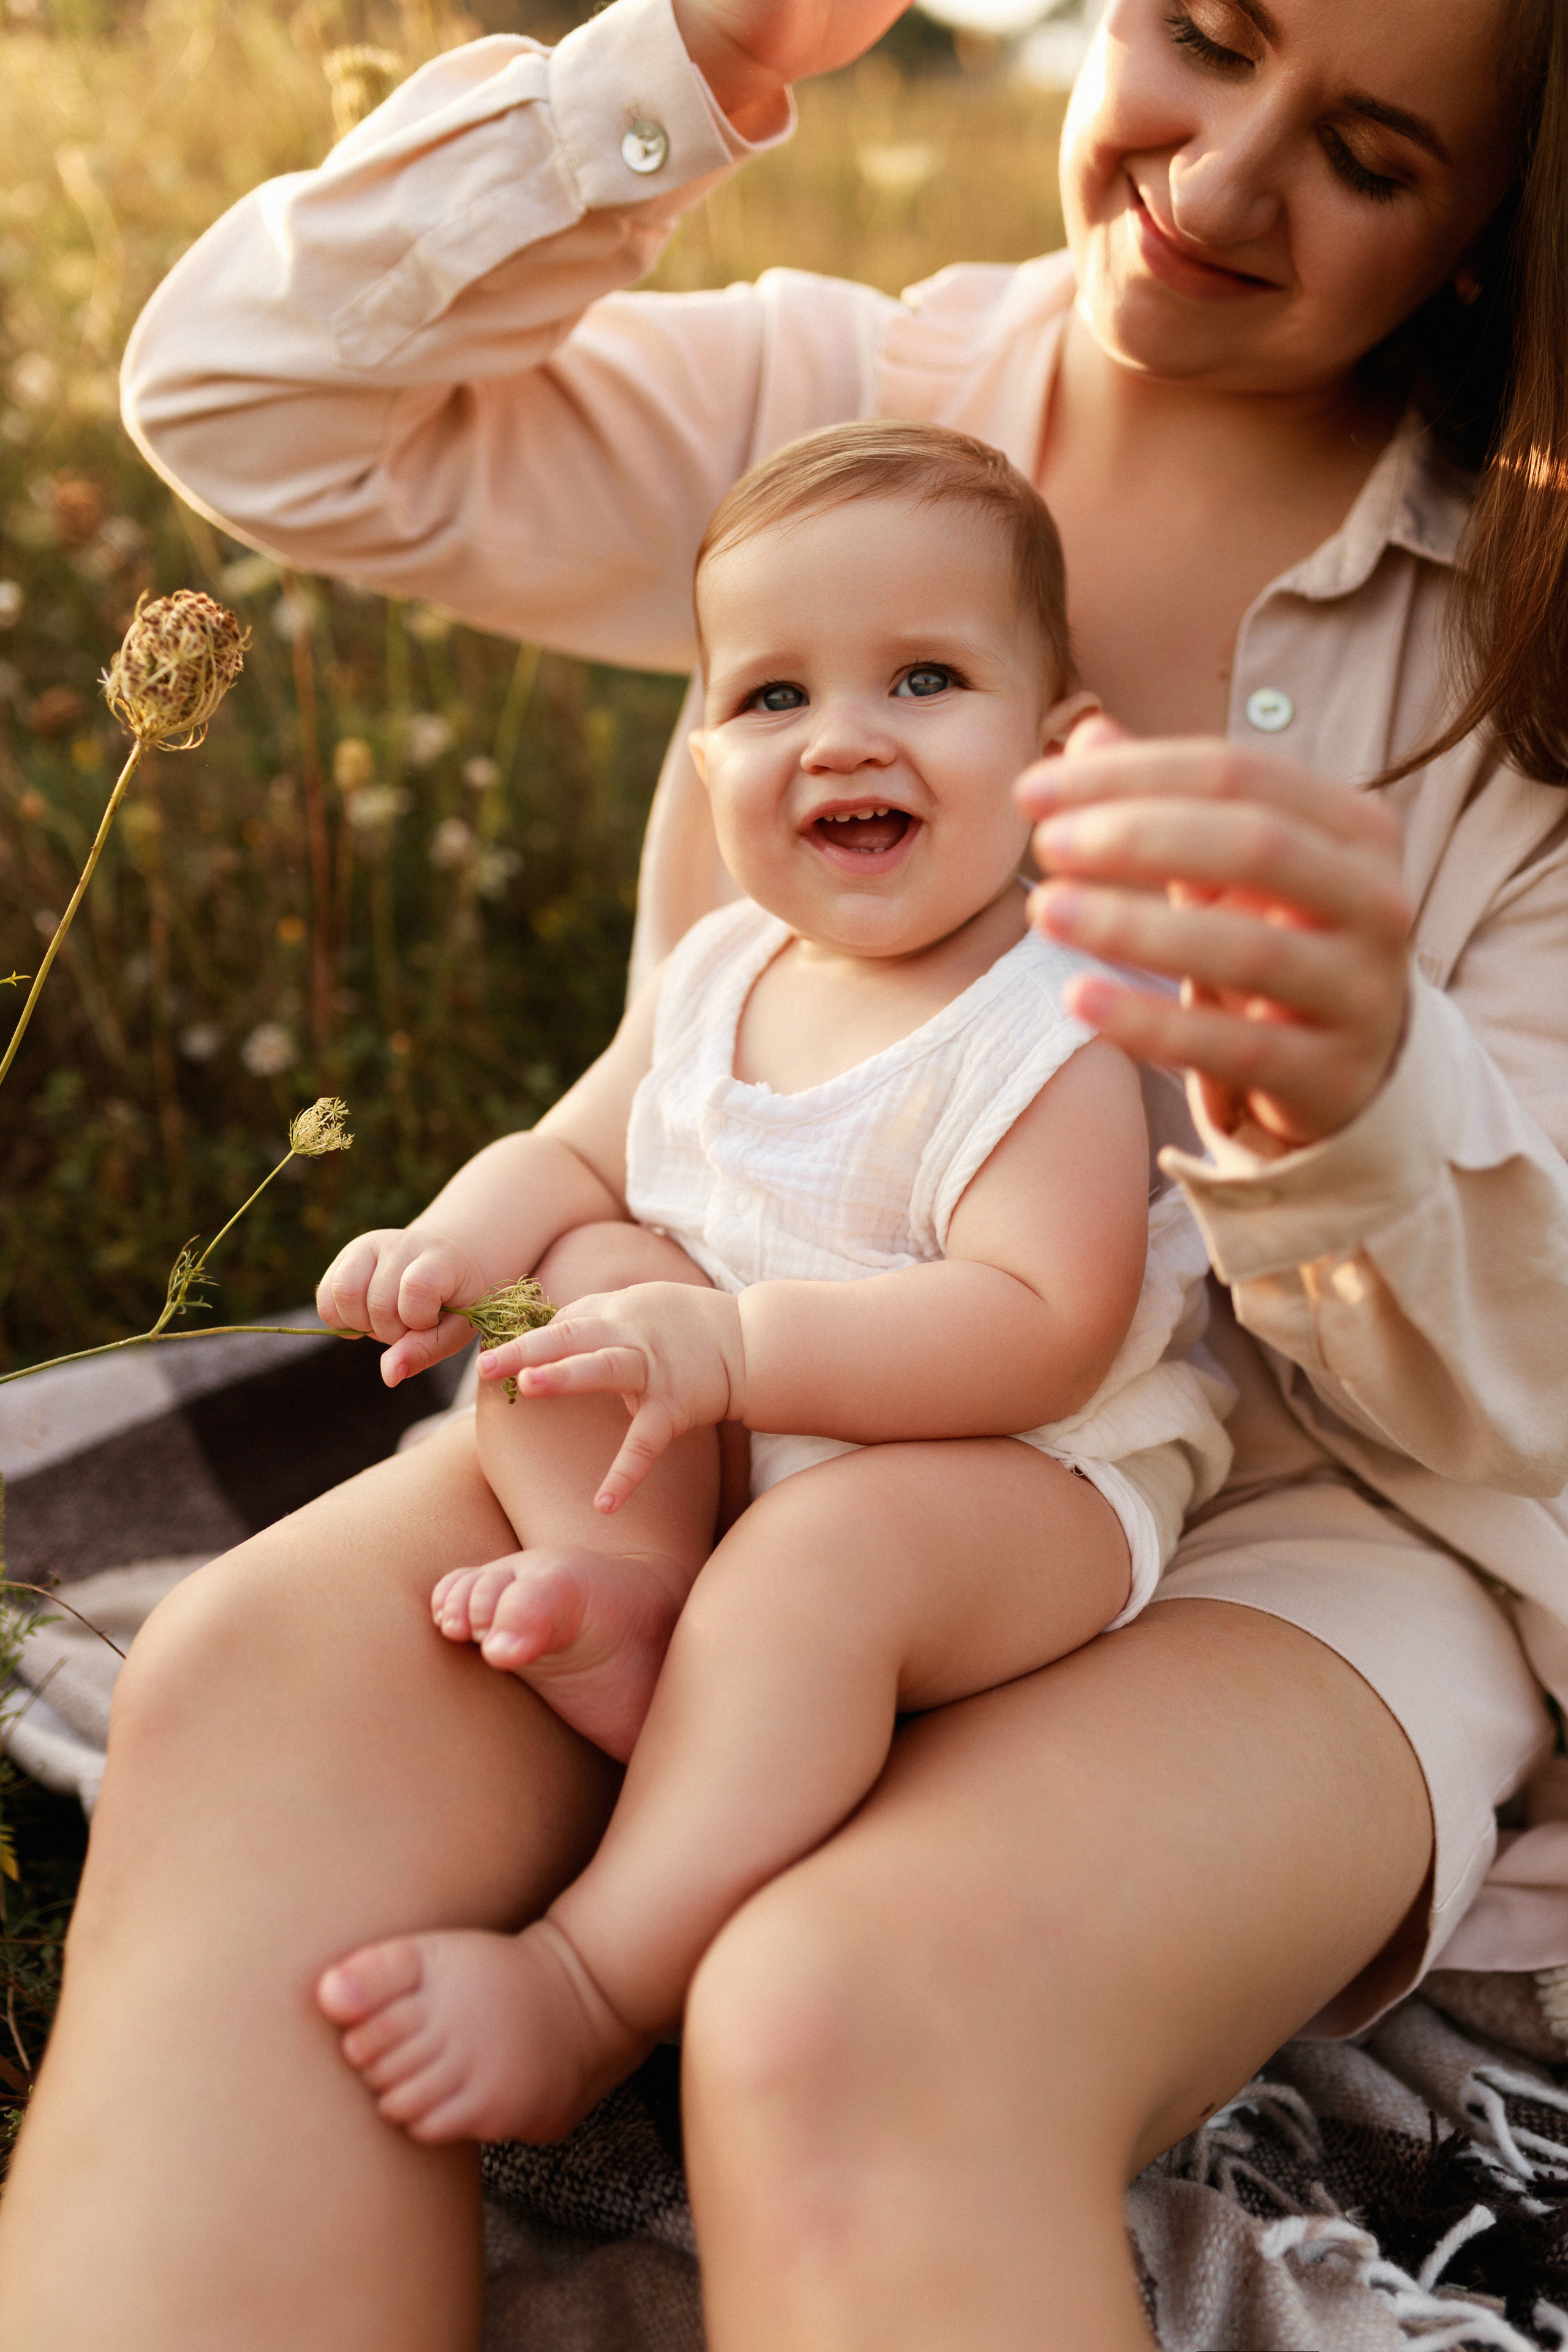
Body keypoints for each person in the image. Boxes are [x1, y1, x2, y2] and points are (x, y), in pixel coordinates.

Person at [1, 0, 1564, 2345]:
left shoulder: (1522, 642)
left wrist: (1343, 1103)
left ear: (1488, 231)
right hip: (704, 1417)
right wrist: (686, 64)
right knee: (243, 1700)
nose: (1227, 179)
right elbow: (250, 404)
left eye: (1367, 153)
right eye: (1205, 36)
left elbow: (1528, 1393)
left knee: (846, 2011)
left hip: (1303, 1528)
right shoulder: (847, 401)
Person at [307, 418, 1233, 2146]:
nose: (844, 737)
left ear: (1056, 752)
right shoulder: (722, 964)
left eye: (925, 679)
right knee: (563, 1290)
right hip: (719, 1420)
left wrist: (735, 1349)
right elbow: (574, 1154)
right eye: (773, 696)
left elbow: (1047, 1330)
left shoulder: (1048, 1020)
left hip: (1010, 1484)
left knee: (819, 1560)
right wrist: (457, 1242)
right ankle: (627, 1586)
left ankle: (592, 1980)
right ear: (707, 750)